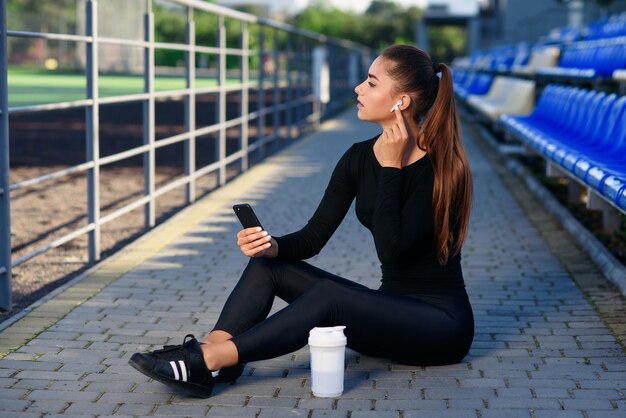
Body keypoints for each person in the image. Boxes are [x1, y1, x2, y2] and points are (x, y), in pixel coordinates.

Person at [129, 44, 474, 399]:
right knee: (268, 266)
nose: (358, 88)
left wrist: (391, 168)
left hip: (439, 327)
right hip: (386, 314)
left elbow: (393, 251)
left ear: (400, 102)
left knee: (329, 296)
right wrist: (272, 245)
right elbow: (313, 237)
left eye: (371, 83)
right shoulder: (357, 157)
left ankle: (209, 358)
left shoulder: (441, 167)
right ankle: (213, 352)